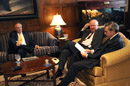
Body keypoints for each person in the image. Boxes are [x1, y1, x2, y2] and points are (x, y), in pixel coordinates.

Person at [57, 21, 124, 86]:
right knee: (70, 53)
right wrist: (90, 51)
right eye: (105, 31)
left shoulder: (116, 41)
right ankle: (68, 77)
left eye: (106, 32)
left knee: (75, 64)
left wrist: (87, 55)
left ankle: (63, 83)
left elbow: (103, 54)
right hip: (94, 53)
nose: (105, 33)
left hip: (98, 59)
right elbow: (101, 49)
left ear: (113, 31)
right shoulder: (112, 37)